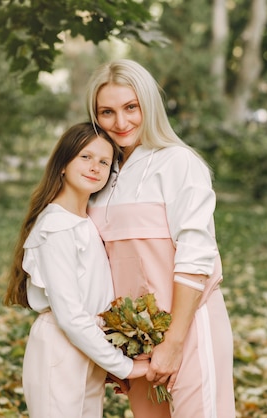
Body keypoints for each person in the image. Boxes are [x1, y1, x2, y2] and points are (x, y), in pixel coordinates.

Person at [85, 59, 236, 417]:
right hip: (135, 342)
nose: (121, 123)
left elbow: (196, 256)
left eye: (131, 107)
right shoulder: (100, 176)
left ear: (148, 105)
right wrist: (112, 349)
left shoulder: (179, 163)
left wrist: (174, 343)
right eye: (107, 112)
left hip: (188, 329)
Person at [4, 122, 150, 417]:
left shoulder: (86, 223)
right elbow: (70, 317)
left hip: (88, 345)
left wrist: (110, 356)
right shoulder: (56, 226)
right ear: (63, 163)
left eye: (104, 161)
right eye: (85, 157)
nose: (95, 167)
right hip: (61, 348)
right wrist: (125, 366)